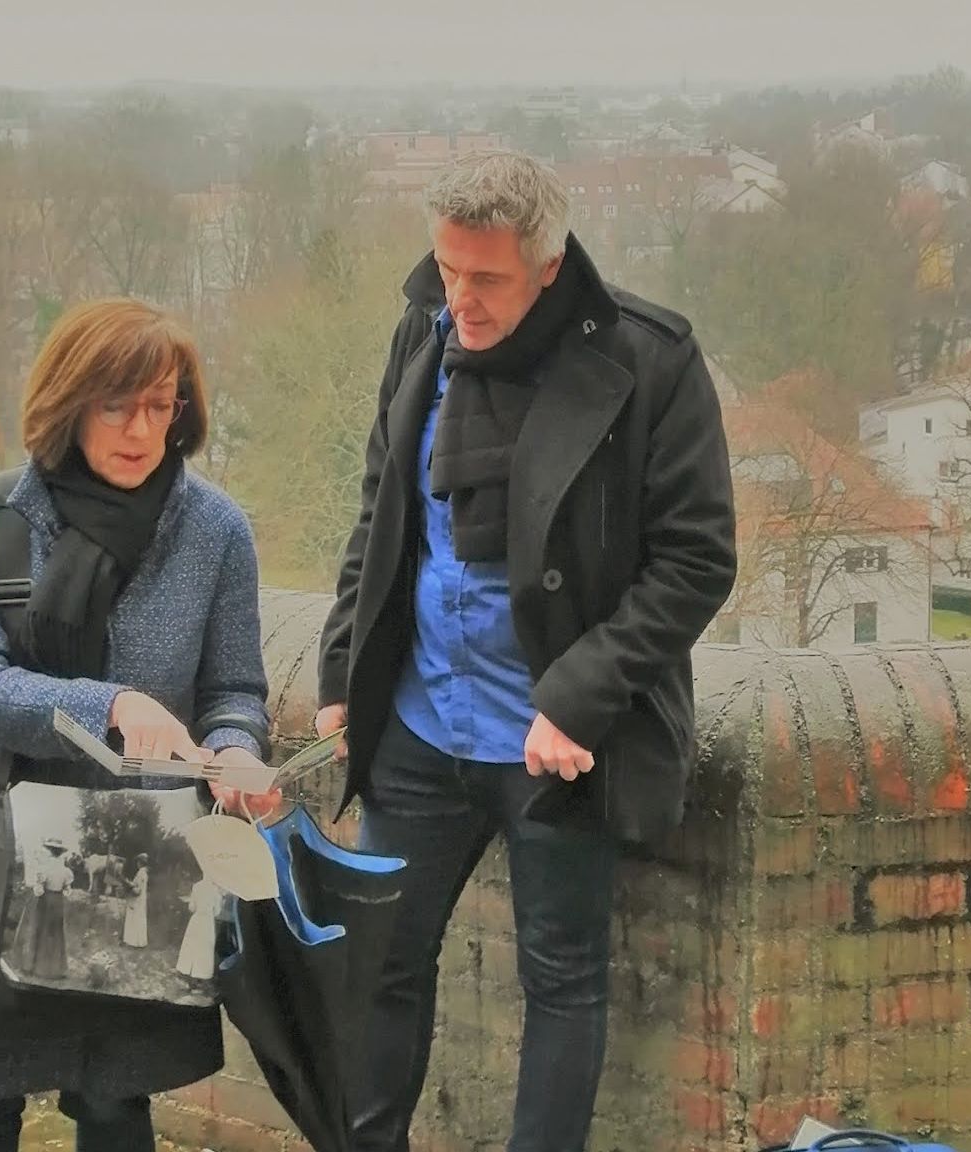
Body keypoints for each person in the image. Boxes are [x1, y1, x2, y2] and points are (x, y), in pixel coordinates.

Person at [316, 150, 736, 1152]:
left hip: (554, 746)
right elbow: (382, 515)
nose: (458, 297)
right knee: (379, 966)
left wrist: (579, 696)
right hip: (418, 729)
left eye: (486, 278)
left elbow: (695, 560)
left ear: (548, 265)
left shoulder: (650, 361)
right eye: (446, 269)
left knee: (560, 986)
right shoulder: (420, 332)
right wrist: (342, 671)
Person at [0, 298, 275, 1152]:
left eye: (162, 406)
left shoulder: (216, 533)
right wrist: (112, 705)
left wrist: (237, 755)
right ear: (69, 402)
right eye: (116, 405)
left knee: (115, 1103)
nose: (141, 430)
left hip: (140, 853)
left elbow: (234, 690)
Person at [11, 839, 74, 981]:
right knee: (55, 932)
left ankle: (37, 967)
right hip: (58, 901)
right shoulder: (66, 871)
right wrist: (61, 890)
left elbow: (39, 890)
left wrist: (38, 889)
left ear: (49, 850)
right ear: (60, 852)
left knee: (41, 930)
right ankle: (56, 969)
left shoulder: (44, 868)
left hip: (46, 900)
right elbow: (68, 890)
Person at [175, 875, 223, 984]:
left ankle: (186, 969)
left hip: (196, 919)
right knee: (204, 947)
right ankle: (201, 973)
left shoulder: (196, 886)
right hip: (207, 921)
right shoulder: (216, 890)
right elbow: (217, 912)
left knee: (192, 945)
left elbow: (192, 907)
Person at [122, 855, 150, 949]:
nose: (137, 864)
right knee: (140, 920)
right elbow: (137, 885)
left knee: (134, 919)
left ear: (140, 862)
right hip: (141, 900)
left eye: (138, 862)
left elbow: (137, 890)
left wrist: (127, 884)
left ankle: (133, 942)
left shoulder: (141, 873)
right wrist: (130, 882)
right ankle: (139, 942)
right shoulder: (145, 873)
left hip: (137, 900)